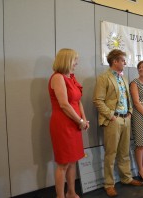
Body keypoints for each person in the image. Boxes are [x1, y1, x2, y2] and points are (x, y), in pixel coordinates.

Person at [93, 49, 143, 197]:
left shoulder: (123, 78)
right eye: (122, 60)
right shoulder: (104, 78)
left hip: (125, 119)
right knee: (111, 153)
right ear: (115, 61)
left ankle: (126, 178)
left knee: (124, 151)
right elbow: (98, 100)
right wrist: (111, 116)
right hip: (113, 120)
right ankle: (109, 184)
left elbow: (128, 98)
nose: (125, 63)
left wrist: (129, 112)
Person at [48, 48, 90, 198]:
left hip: (75, 123)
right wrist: (80, 121)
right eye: (74, 60)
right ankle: (60, 196)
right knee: (63, 163)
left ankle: (71, 192)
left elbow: (78, 101)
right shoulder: (58, 77)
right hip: (63, 124)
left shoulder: (71, 77)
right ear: (66, 60)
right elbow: (64, 104)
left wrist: (83, 120)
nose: (76, 63)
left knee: (72, 161)